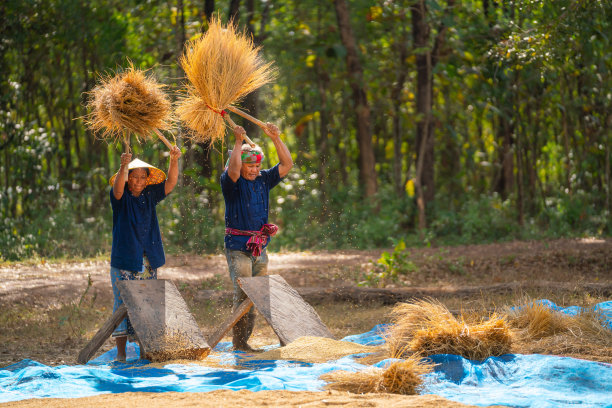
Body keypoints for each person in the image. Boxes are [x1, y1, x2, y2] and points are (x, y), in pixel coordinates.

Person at [221, 123, 293, 352]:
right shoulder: (231, 183)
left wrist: (275, 138)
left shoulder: (263, 179)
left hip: (259, 248)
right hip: (238, 247)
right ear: (240, 165)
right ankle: (239, 343)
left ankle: (248, 341)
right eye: (249, 166)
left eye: (257, 165)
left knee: (259, 296)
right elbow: (232, 172)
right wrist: (238, 141)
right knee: (243, 295)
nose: (253, 170)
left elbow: (287, 164)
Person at [108, 145, 181, 361]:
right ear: (127, 178)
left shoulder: (149, 195)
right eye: (134, 177)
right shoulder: (120, 198)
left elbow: (170, 184)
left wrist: (174, 160)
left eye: (142, 178)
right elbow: (118, 190)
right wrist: (123, 166)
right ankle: (121, 354)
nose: (138, 181)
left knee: (148, 303)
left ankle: (145, 352)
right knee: (122, 303)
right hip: (125, 260)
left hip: (147, 260)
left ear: (147, 180)